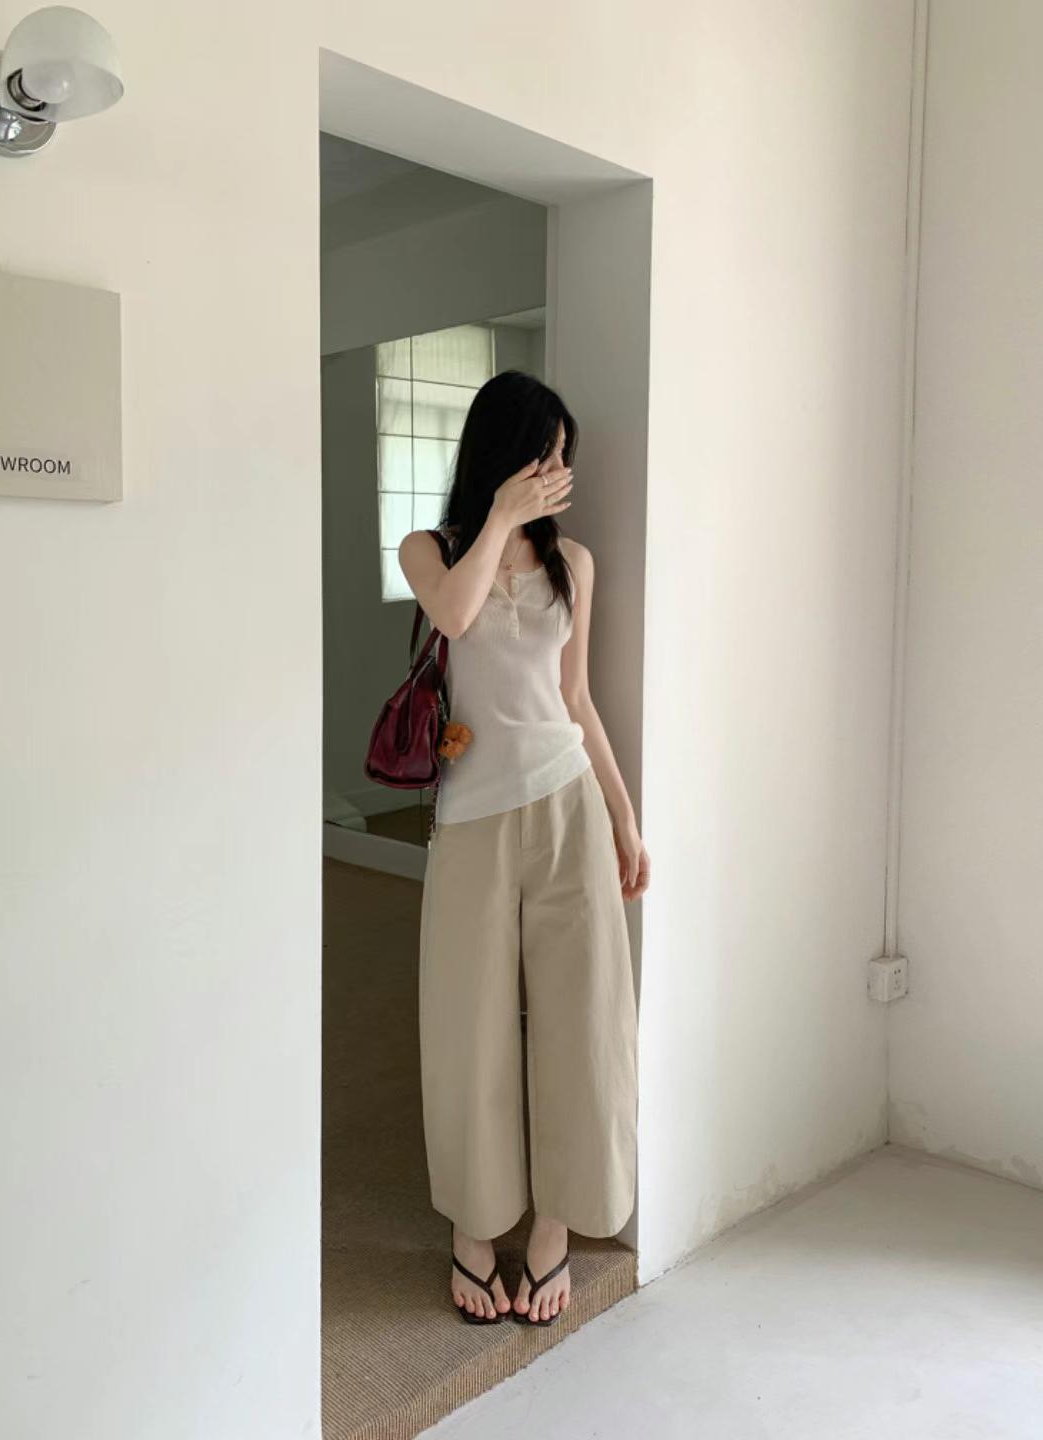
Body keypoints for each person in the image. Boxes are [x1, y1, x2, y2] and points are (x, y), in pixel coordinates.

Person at [398, 370, 651, 1327]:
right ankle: (474, 1228)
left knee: (584, 1019)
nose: (557, 474)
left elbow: (576, 700)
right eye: (545, 456)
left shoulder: (573, 563)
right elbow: (455, 617)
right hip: (471, 817)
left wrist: (624, 818)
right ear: (504, 456)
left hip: (567, 804)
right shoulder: (431, 550)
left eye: (563, 460)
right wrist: (501, 516)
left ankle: (554, 1227)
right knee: (467, 1026)